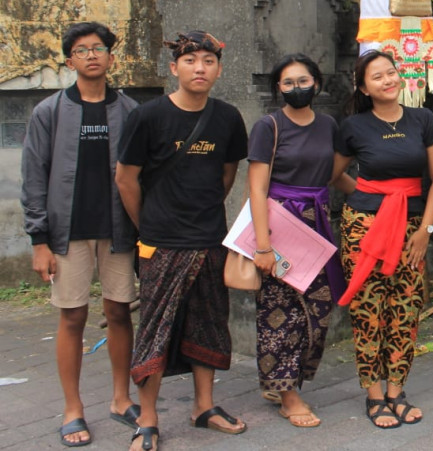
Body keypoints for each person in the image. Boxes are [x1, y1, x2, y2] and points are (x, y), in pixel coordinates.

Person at [115, 31, 249, 451]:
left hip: (210, 238)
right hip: (161, 242)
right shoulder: (148, 117)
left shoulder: (227, 118)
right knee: (155, 328)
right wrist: (149, 224)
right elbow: (126, 178)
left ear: (218, 69)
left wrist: (202, 212)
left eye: (208, 61)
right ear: (174, 68)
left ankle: (204, 406)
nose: (200, 68)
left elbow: (227, 175)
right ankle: (149, 419)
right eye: (191, 61)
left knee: (208, 324)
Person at [21, 22, 140, 447]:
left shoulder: (128, 111)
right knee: (72, 315)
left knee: (120, 312)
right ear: (69, 60)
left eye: (99, 48)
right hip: (66, 233)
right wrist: (38, 240)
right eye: (81, 49)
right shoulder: (49, 112)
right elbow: (34, 176)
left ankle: (121, 398)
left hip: (117, 229)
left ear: (111, 57)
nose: (91, 55)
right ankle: (73, 409)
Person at [333, 50, 433, 429]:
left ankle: (397, 389)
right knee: (368, 311)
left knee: (405, 308)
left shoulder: (423, 119)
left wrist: (425, 231)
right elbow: (337, 176)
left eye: (391, 72)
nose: (387, 80)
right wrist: (368, 199)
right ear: (364, 87)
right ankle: (374, 394)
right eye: (377, 76)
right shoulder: (353, 126)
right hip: (365, 226)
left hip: (413, 226)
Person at [248, 53, 341, 428]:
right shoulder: (268, 126)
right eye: (288, 83)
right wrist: (263, 244)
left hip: (317, 222)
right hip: (280, 223)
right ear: (277, 88)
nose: (296, 88)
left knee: (317, 310)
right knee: (280, 311)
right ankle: (287, 394)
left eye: (303, 81)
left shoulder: (329, 124)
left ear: (316, 84)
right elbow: (255, 187)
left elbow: (332, 175)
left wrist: (376, 195)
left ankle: (285, 381)